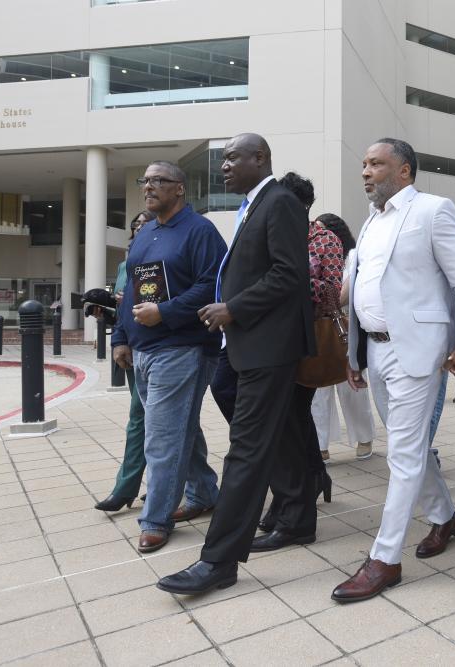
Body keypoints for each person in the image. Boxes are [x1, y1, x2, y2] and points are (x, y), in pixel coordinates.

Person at [157, 133, 315, 595]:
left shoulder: (279, 200)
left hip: (269, 346)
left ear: (259, 158)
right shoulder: (254, 204)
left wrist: (234, 308)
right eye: (222, 158)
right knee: (285, 433)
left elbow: (290, 274)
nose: (223, 166)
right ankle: (299, 519)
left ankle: (218, 561)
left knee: (244, 451)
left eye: (232, 158)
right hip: (252, 343)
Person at [330, 138, 455, 603]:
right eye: (364, 164)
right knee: (410, 446)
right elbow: (364, 291)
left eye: (376, 163)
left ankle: (384, 558)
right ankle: (445, 516)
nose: (366, 172)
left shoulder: (434, 210)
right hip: (376, 351)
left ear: (405, 172)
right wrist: (355, 354)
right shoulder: (371, 222)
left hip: (419, 349)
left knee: (403, 451)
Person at [111, 162, 226, 553]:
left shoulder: (201, 232)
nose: (149, 187)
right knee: (180, 430)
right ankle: (204, 492)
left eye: (159, 181)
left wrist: (166, 311)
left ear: (180, 188)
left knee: (162, 438)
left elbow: (214, 286)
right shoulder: (145, 233)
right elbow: (131, 292)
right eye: (145, 180)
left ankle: (156, 518)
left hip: (183, 349)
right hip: (143, 349)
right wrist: (121, 336)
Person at [253, 172, 340, 544]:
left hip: (308, 338)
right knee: (292, 422)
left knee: (293, 419)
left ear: (301, 206)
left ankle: (295, 501)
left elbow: (333, 292)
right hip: (273, 338)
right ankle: (305, 486)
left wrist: (288, 279)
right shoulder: (272, 234)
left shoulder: (324, 240)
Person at [95, 210, 153, 512]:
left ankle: (128, 487)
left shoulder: (166, 253)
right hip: (132, 343)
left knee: (144, 419)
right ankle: (181, 482)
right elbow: (123, 303)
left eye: (146, 222)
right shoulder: (125, 263)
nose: (140, 227)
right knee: (148, 419)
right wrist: (109, 315)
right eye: (135, 225)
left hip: (161, 346)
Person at [311, 213, 376, 462]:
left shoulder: (352, 256)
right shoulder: (312, 254)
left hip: (347, 326)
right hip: (319, 327)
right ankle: (320, 443)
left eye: (322, 229)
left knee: (352, 387)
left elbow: (347, 290)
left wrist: (327, 299)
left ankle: (364, 437)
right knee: (319, 389)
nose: (318, 235)